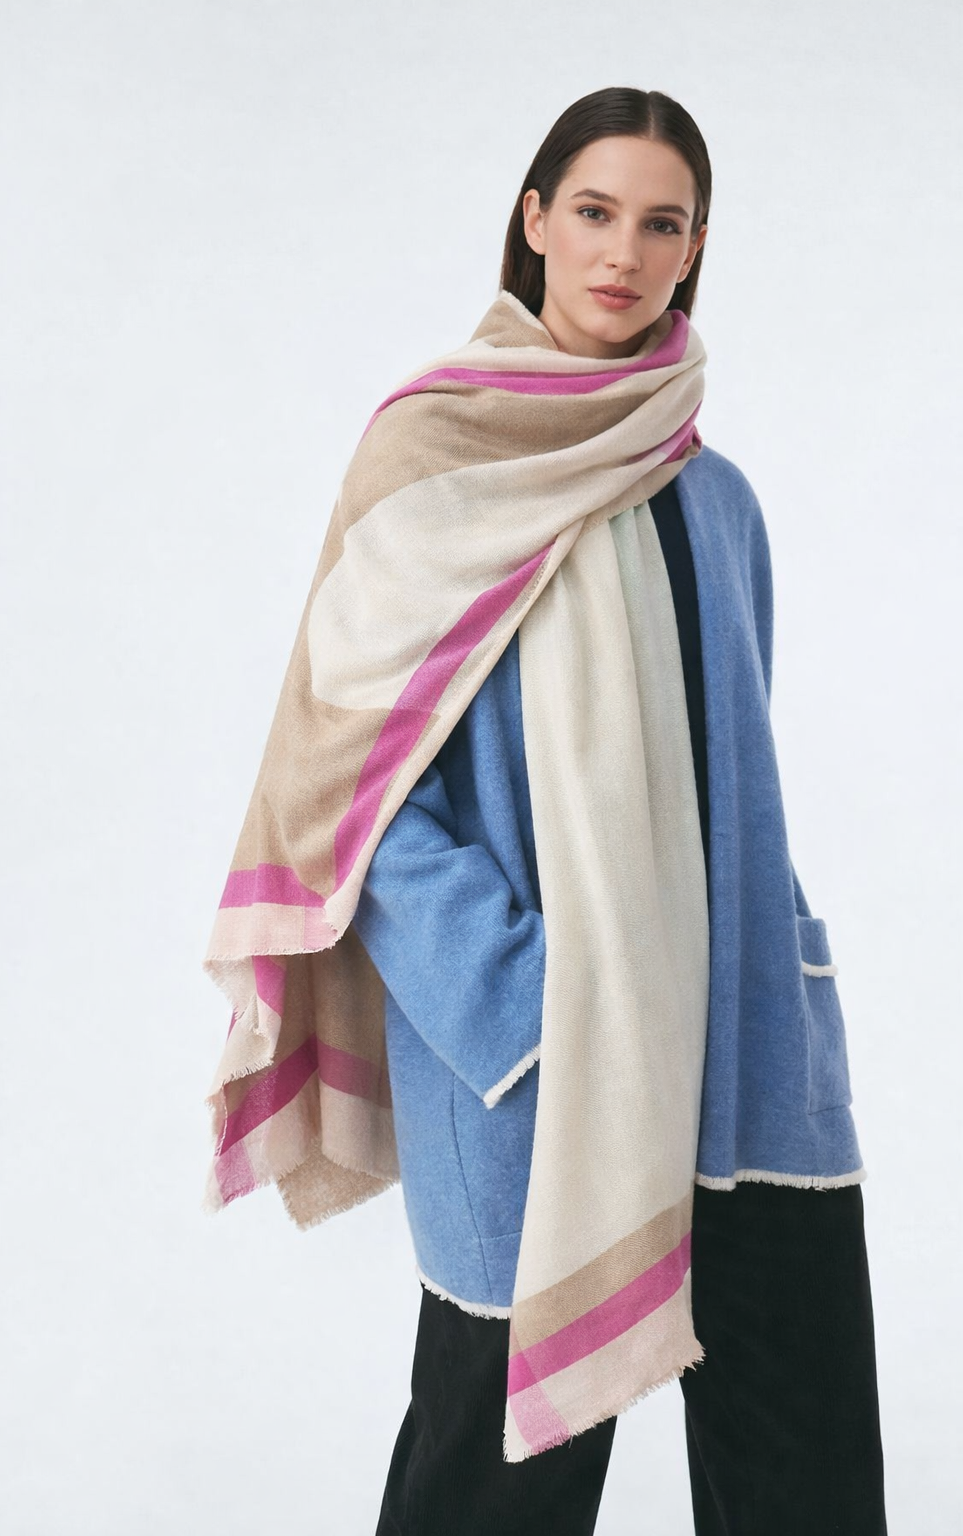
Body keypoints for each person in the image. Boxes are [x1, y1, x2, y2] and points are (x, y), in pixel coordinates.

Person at [345, 87, 888, 1534]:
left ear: (695, 249)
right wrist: (527, 1011)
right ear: (535, 219)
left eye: (663, 224)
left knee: (808, 1482)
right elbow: (356, 806)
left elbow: (735, 785)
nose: (624, 252)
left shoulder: (720, 502)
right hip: (547, 1060)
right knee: (492, 1496)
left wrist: (785, 970)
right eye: (594, 211)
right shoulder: (434, 478)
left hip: (747, 1054)